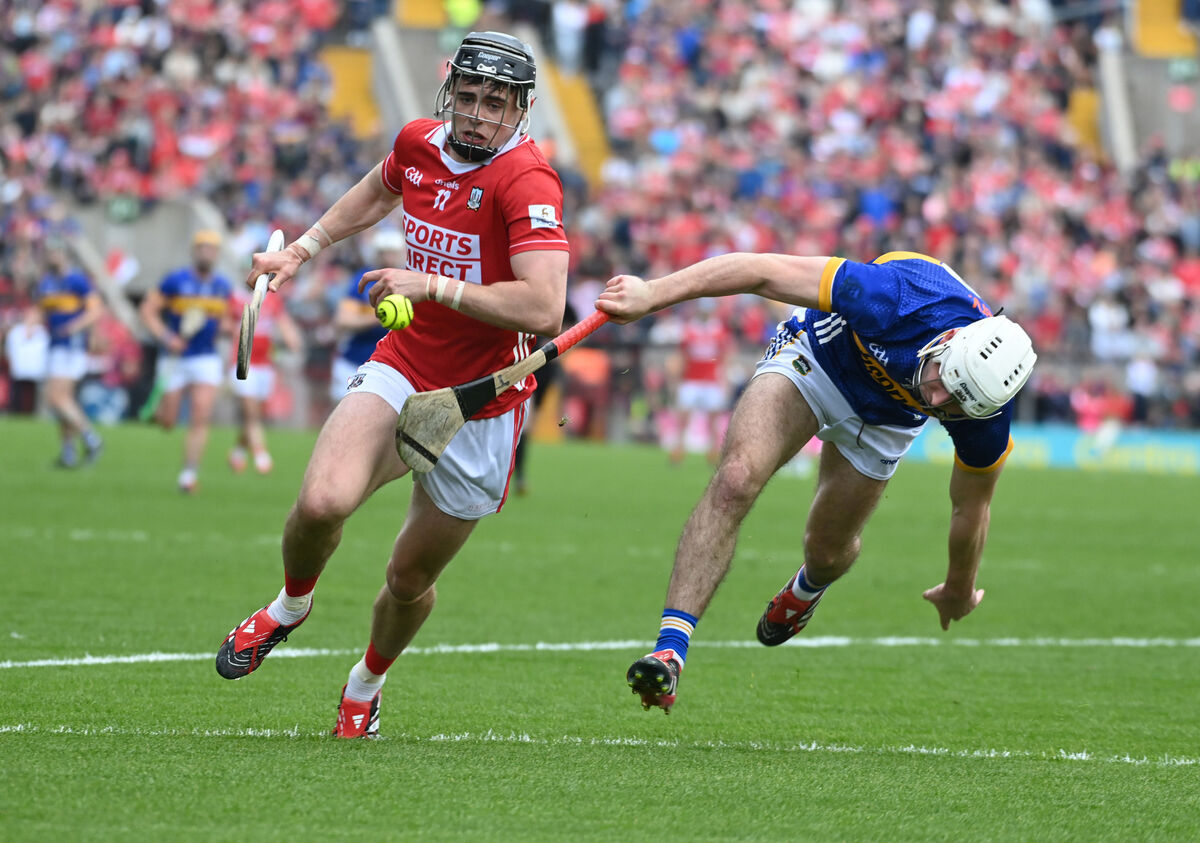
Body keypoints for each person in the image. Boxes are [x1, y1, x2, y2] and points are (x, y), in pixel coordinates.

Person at [213, 31, 569, 738]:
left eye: (493, 103)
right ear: (449, 93)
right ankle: (290, 606)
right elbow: (378, 191)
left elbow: (542, 307)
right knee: (320, 502)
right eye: (466, 97)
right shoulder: (418, 142)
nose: (475, 114)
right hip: (404, 362)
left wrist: (432, 283)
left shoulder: (527, 180)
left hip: (482, 400)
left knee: (408, 579)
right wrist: (305, 249)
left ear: (520, 108)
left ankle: (366, 683)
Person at [595, 250, 1037, 713]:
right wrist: (652, 293)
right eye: (943, 377)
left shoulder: (985, 416)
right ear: (949, 341)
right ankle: (671, 650)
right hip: (816, 358)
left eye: (956, 404)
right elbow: (759, 271)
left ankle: (808, 587)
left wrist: (959, 588)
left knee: (827, 553)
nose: (938, 396)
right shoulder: (895, 297)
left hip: (886, 421)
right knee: (736, 479)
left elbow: (971, 508)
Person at [138, 230, 233, 493]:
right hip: (175, 358)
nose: (207, 253)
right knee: (168, 421)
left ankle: (189, 475)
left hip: (206, 358)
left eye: (212, 249)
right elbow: (148, 310)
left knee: (200, 415)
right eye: (203, 247)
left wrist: (227, 329)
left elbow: (225, 321)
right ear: (195, 251)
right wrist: (167, 337)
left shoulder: (222, 286)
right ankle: (158, 413)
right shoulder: (175, 281)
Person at [34, 240, 105, 467]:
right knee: (63, 400)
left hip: (71, 346)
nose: (52, 256)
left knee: (55, 398)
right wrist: (28, 325)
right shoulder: (46, 283)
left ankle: (91, 438)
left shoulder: (77, 280)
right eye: (49, 252)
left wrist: (76, 327)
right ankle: (68, 453)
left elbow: (95, 310)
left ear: (65, 254)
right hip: (55, 344)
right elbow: (40, 310)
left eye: (56, 252)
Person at [226, 278, 303, 474]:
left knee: (256, 414)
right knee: (251, 412)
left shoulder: (271, 299)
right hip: (242, 360)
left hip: (264, 364)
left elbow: (283, 322)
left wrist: (292, 340)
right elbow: (224, 323)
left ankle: (238, 452)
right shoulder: (234, 297)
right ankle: (262, 455)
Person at [327, 229, 402, 406]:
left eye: (393, 252)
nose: (389, 257)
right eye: (385, 252)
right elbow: (342, 319)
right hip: (355, 361)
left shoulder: (410, 280)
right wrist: (380, 317)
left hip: (392, 366)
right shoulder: (365, 279)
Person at [669, 298, 734, 465]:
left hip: (711, 381)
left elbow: (725, 357)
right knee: (684, 417)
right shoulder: (690, 329)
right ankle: (678, 451)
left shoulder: (719, 330)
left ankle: (713, 454)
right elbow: (682, 356)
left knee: (713, 420)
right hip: (691, 380)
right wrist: (677, 380)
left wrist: (724, 381)